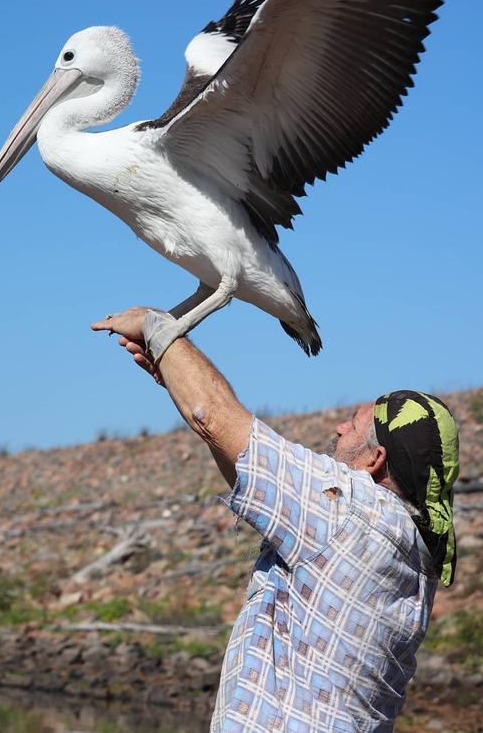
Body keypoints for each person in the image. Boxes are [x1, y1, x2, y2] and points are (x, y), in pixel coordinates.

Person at [92, 307, 460, 733]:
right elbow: (238, 459)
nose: (340, 427)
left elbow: (214, 417)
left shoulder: (348, 511)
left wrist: (158, 327)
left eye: (355, 424)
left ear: (376, 460)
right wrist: (174, 370)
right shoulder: (408, 545)